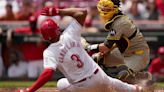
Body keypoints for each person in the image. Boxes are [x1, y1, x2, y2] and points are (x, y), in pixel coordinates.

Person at [16, 6, 150, 92]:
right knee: (113, 84)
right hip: (100, 76)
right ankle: (136, 89)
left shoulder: (50, 52)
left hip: (83, 87)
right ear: (57, 29)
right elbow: (82, 12)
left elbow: (47, 74)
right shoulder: (70, 33)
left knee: (60, 84)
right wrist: (59, 11)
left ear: (45, 37)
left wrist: (29, 90)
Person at [84, 0, 151, 83]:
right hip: (125, 52)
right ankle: (95, 84)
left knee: (123, 74)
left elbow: (105, 47)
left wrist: (87, 47)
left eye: (107, 8)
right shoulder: (114, 19)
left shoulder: (120, 22)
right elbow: (112, 45)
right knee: (97, 58)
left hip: (138, 54)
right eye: (103, 8)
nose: (104, 10)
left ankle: (142, 78)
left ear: (114, 8)